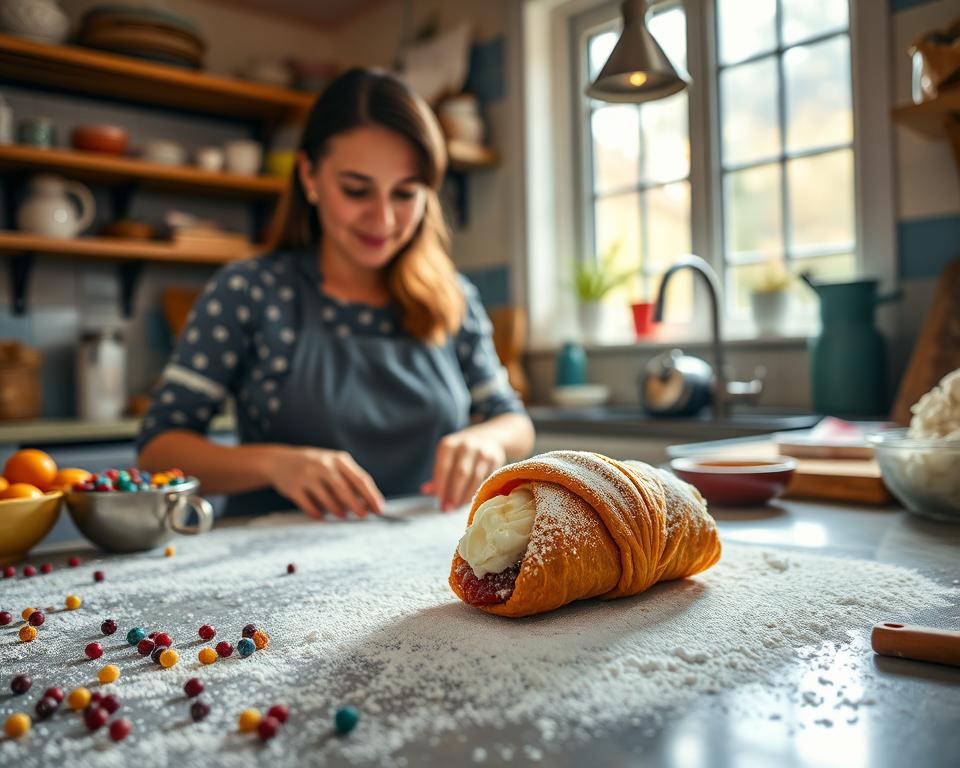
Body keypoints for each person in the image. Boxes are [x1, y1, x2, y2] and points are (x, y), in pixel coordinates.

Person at [137, 68, 534, 519]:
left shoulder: (454, 297)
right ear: (309, 176)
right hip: (271, 560)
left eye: (405, 193)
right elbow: (157, 448)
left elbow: (515, 422)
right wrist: (275, 463)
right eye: (356, 190)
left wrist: (487, 439)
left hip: (424, 560)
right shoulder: (249, 291)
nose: (382, 219)